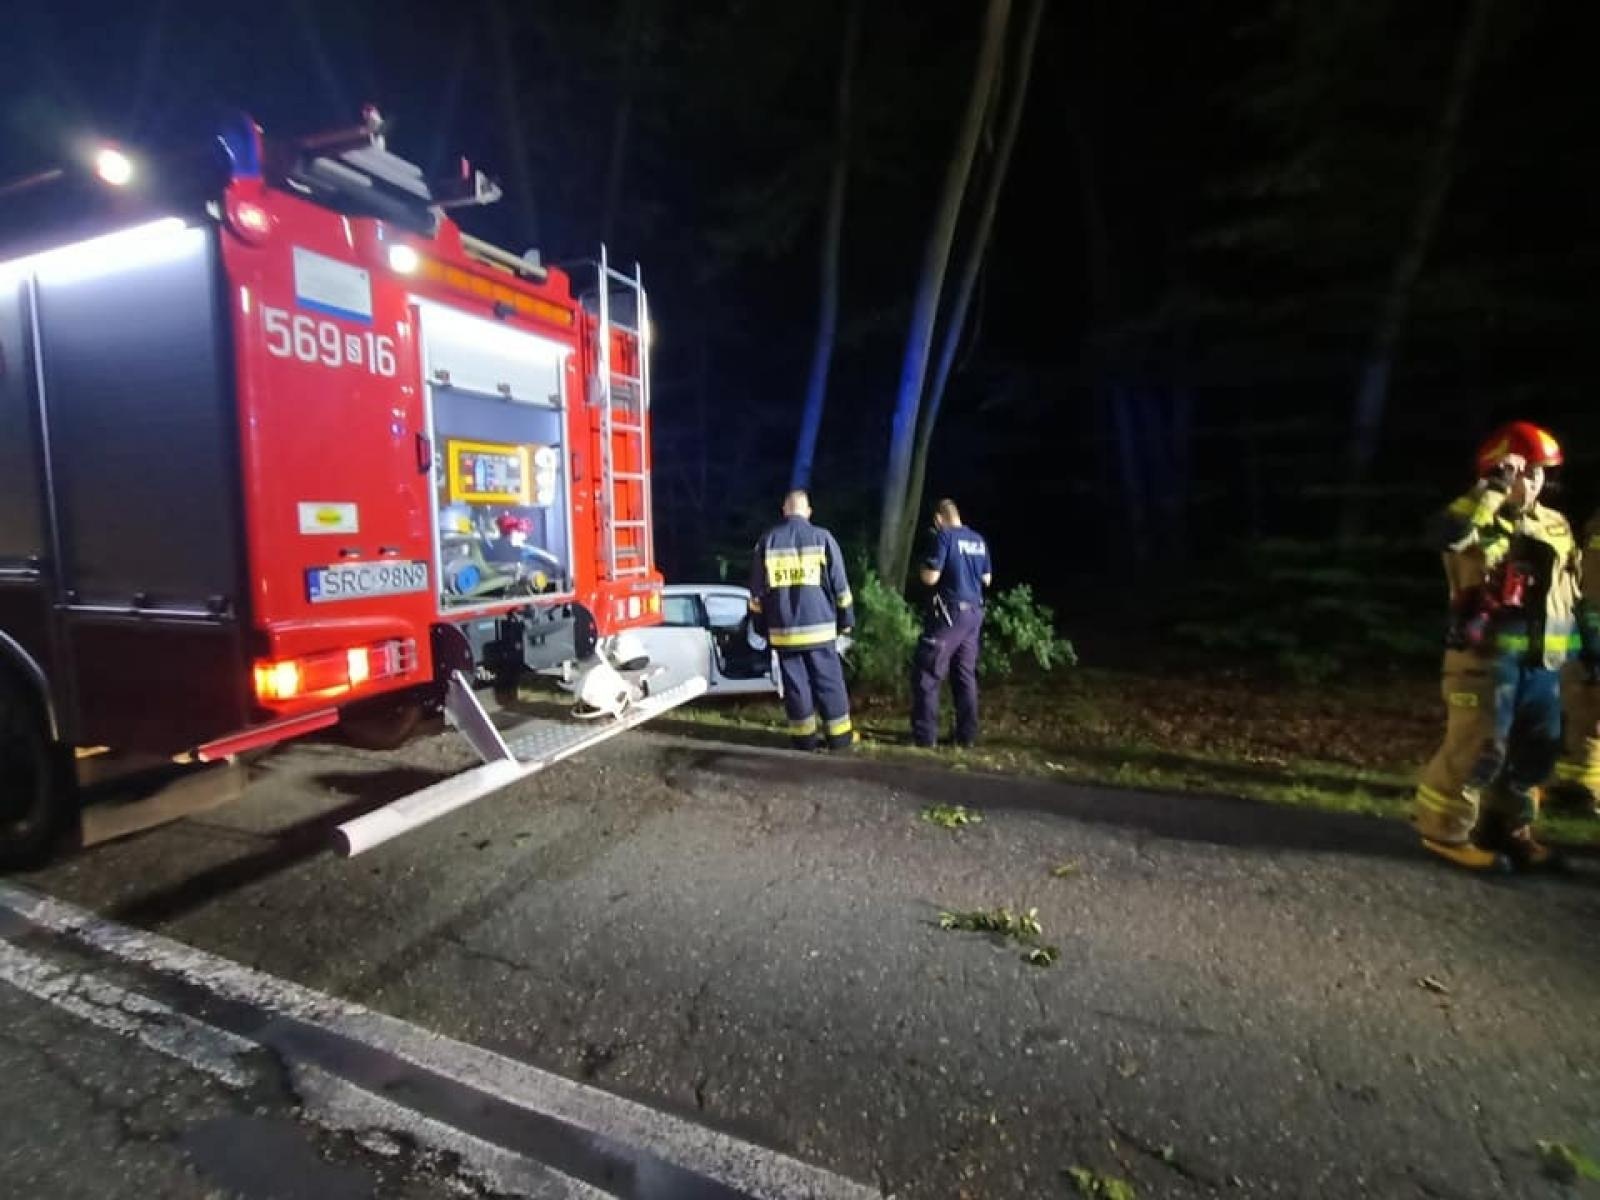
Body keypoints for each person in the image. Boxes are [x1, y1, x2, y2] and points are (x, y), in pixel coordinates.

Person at [1412, 421, 1580, 870]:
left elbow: (1569, 593)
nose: (1534, 481)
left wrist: (1578, 652)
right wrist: (1493, 489)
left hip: (1543, 663)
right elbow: (1447, 535)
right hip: (1486, 662)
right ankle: (1444, 833)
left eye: (1541, 472)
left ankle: (1510, 831)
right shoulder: (1475, 520)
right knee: (1477, 750)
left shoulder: (1555, 525)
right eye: (1525, 471)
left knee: (1535, 755)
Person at [748, 490, 856, 751]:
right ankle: (840, 738)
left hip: (784, 631)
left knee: (796, 686)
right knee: (829, 682)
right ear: (808, 511)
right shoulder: (823, 538)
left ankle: (805, 739)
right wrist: (846, 619)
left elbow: (756, 593)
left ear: (785, 510)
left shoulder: (768, 541)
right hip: (820, 630)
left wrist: (761, 627)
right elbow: (840, 586)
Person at [911, 498, 992, 749]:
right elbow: (987, 579)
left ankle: (925, 737)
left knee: (927, 672)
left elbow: (931, 577)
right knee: (964, 675)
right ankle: (966, 736)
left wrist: (923, 568)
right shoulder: (978, 540)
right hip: (974, 614)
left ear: (938, 519)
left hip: (950, 615)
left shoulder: (944, 537)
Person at [1551, 506, 1600, 815]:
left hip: (1587, 627)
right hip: (1588, 628)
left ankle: (1578, 787)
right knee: (1584, 707)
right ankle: (1577, 790)